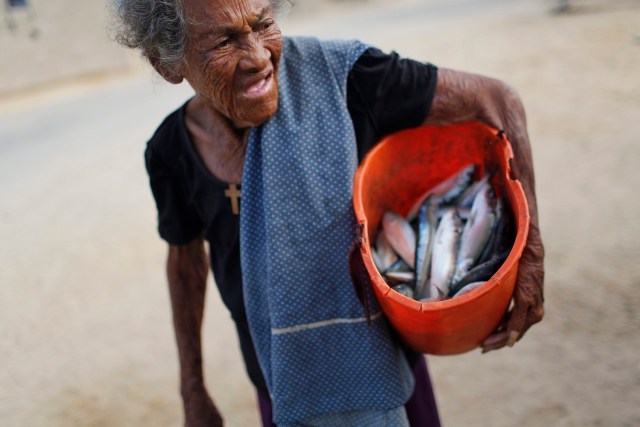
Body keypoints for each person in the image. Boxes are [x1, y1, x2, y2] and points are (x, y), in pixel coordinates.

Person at [113, 0, 545, 425]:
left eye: (263, 23)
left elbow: (498, 100)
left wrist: (531, 259)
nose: (259, 58)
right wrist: (192, 387)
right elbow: (186, 263)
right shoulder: (171, 151)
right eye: (225, 42)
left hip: (389, 368)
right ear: (167, 64)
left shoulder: (345, 79)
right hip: (280, 380)